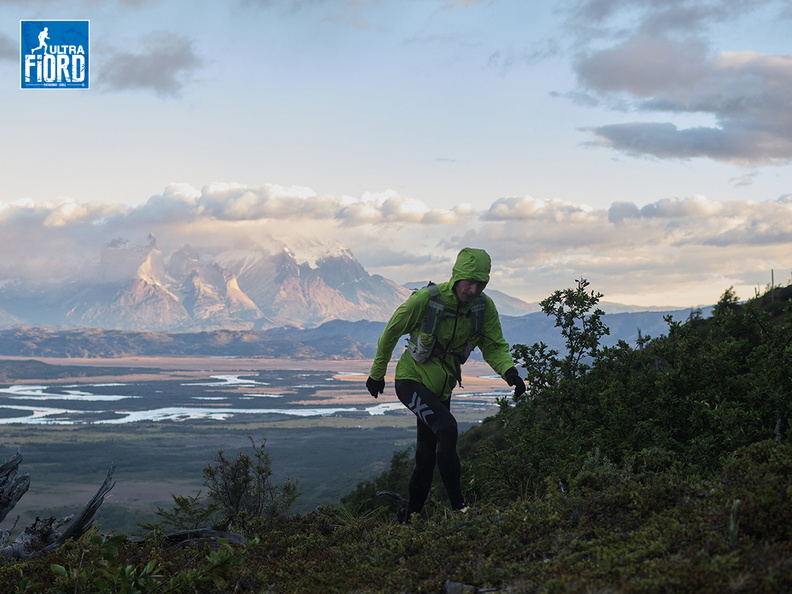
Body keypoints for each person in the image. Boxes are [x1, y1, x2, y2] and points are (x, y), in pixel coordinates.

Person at [366, 247, 526, 520]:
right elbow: (391, 331)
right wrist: (377, 373)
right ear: (457, 277)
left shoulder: (482, 308)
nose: (474, 289)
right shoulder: (426, 300)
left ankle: (409, 521)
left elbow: (494, 344)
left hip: (442, 388)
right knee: (448, 427)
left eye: (481, 284)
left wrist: (509, 371)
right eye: (470, 282)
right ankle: (460, 508)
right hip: (411, 381)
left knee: (426, 457)